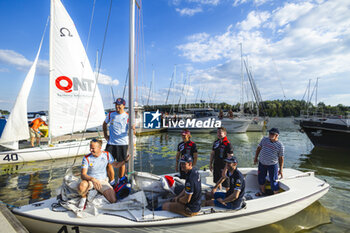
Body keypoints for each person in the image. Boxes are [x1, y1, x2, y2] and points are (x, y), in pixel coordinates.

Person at [77, 139, 128, 209]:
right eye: (90, 148)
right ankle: (83, 199)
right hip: (90, 180)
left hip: (102, 181)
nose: (90, 150)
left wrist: (125, 161)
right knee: (82, 186)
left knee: (113, 200)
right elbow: (83, 175)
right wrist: (93, 179)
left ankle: (97, 192)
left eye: (93, 148)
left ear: (99, 148)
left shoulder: (107, 155)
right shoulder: (86, 158)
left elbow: (116, 165)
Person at [103, 97, 133, 184]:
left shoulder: (127, 116)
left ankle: (120, 181)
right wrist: (105, 135)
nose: (117, 106)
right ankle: (112, 182)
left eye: (119, 105)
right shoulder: (110, 114)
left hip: (122, 144)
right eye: (116, 104)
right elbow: (104, 124)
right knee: (108, 163)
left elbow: (132, 131)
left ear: (124, 106)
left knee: (122, 163)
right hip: (111, 143)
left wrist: (133, 129)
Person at [254, 128, 284, 196]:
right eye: (270, 133)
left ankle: (276, 195)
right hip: (262, 163)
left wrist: (281, 170)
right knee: (261, 179)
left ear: (277, 135)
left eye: (272, 134)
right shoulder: (264, 139)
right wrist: (255, 158)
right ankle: (263, 192)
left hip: (272, 165)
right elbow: (258, 148)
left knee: (274, 181)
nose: (270, 135)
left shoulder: (280, 145)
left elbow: (281, 158)